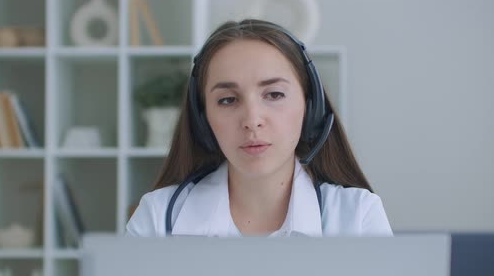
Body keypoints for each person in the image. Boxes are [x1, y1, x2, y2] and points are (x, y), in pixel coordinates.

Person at [126, 19, 392, 237]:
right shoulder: (157, 219)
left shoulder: (359, 218)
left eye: (274, 95)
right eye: (228, 100)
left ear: (311, 107)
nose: (252, 120)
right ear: (202, 118)